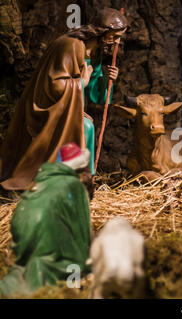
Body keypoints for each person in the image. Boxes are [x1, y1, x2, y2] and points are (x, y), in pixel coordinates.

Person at [0, 8, 128, 190]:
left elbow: (96, 96)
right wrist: (81, 83)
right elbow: (54, 86)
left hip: (69, 107)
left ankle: (82, 180)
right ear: (102, 31)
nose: (116, 43)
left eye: (119, 38)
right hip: (48, 108)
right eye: (114, 37)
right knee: (85, 126)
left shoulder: (96, 54)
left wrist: (107, 79)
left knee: (86, 126)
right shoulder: (71, 45)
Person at [0, 143, 92, 297]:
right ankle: (71, 289)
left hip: (23, 245)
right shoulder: (74, 185)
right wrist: (85, 267)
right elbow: (81, 234)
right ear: (81, 168)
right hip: (50, 252)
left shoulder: (40, 182)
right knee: (75, 260)